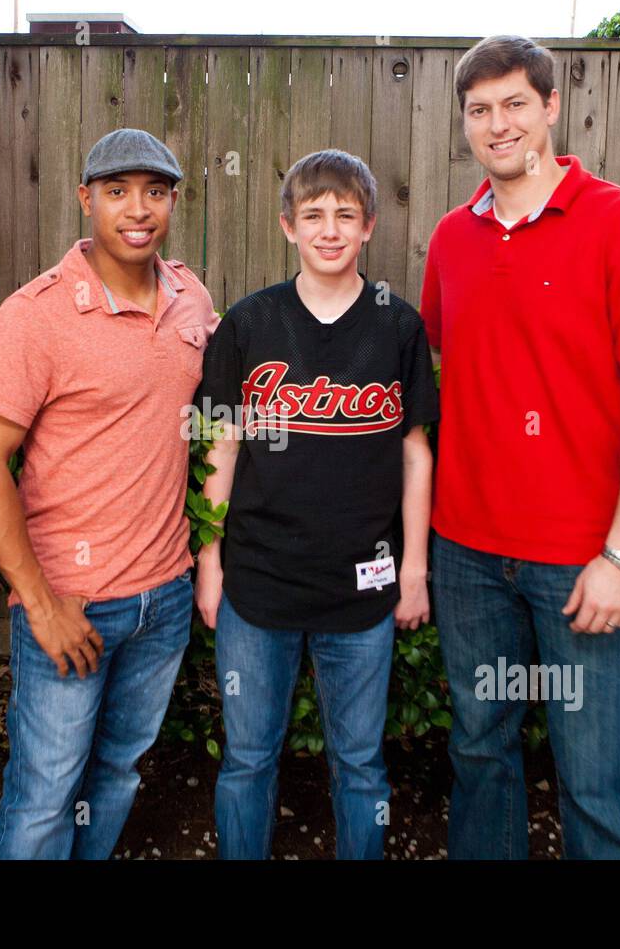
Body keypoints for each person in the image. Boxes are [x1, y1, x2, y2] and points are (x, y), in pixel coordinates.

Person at [420, 34, 620, 859]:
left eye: (513, 104)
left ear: (550, 108)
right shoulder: (450, 239)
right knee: (478, 756)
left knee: (598, 780)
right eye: (479, 110)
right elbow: (432, 371)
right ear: (463, 121)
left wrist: (619, 553)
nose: (497, 124)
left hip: (583, 560)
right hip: (465, 552)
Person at [0, 128, 220, 859]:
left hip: (163, 599)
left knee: (116, 772)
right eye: (116, 191)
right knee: (45, 792)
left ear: (173, 201)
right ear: (86, 200)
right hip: (70, 601)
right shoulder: (35, 317)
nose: (137, 209)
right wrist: (41, 605)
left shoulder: (190, 297)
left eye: (155, 191)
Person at [194, 149, 439, 859]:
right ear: (287, 227)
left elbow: (415, 451)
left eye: (345, 215)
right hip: (257, 585)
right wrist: (209, 560)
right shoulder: (249, 323)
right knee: (247, 759)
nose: (329, 230)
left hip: (362, 588)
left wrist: (414, 568)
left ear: (367, 226)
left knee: (360, 765)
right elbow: (222, 445)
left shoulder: (397, 325)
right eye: (313, 216)